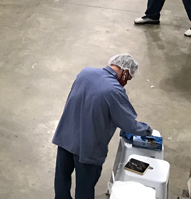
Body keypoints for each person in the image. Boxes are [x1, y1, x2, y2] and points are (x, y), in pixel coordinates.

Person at [52, 54, 153, 199]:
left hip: (65, 137)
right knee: (85, 186)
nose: (125, 83)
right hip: (88, 147)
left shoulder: (85, 73)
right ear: (125, 72)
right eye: (128, 79)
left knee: (62, 178)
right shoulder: (115, 90)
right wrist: (147, 130)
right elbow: (129, 124)